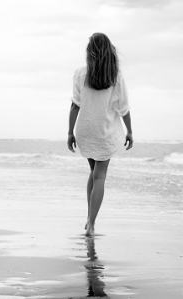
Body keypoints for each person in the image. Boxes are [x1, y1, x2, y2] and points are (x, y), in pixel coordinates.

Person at [67, 33, 133, 237]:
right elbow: (123, 108)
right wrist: (130, 130)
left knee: (94, 174)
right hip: (105, 132)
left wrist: (70, 132)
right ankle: (92, 223)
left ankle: (89, 218)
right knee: (100, 176)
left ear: (90, 52)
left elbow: (75, 105)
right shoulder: (115, 76)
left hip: (86, 130)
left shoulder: (80, 73)